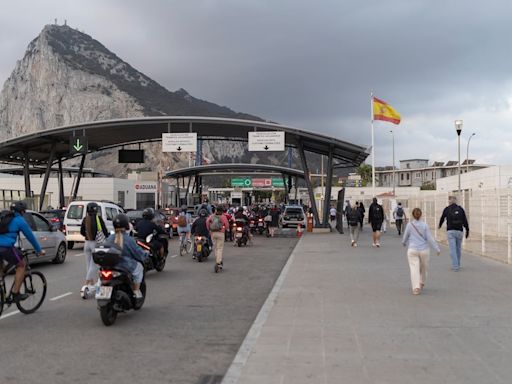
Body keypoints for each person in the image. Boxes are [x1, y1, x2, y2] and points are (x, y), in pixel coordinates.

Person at [0, 201, 45, 302]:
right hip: (5, 248)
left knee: (2, 269)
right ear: (22, 211)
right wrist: (39, 250)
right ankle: (16, 293)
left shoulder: (3, 217)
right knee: (21, 265)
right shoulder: (19, 220)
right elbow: (31, 237)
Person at [106, 214, 148, 299]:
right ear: (126, 225)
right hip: (125, 265)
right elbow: (138, 253)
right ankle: (136, 291)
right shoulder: (129, 239)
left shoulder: (110, 238)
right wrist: (145, 254)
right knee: (139, 268)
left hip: (109, 265)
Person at [402, 208, 440, 295]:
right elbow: (430, 238)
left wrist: (404, 242)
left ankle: (416, 288)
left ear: (412, 215)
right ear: (421, 215)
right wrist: (437, 248)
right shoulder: (424, 225)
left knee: (414, 268)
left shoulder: (409, 225)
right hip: (424, 250)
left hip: (412, 250)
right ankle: (422, 282)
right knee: (424, 267)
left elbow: (405, 236)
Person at [80, 202, 109, 298]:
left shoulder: (85, 219)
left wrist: (87, 236)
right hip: (95, 244)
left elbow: (81, 232)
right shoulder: (98, 219)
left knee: (88, 265)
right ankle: (86, 283)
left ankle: (91, 283)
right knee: (95, 265)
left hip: (86, 243)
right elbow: (104, 231)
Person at [438, 196, 469, 271]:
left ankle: (455, 267)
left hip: (450, 231)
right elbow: (465, 220)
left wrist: (439, 225)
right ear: (456, 201)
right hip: (459, 231)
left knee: (453, 250)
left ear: (449, 201)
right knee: (458, 249)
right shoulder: (461, 209)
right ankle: (457, 264)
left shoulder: (447, 209)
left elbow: (442, 218)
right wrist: (467, 230)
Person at [207, 206, 230, 271]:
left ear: (216, 210)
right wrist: (225, 229)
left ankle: (218, 260)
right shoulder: (223, 216)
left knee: (215, 247)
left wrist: (209, 229)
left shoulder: (211, 216)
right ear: (222, 211)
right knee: (219, 248)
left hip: (213, 233)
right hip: (220, 233)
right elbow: (227, 225)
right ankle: (218, 262)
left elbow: (207, 222)